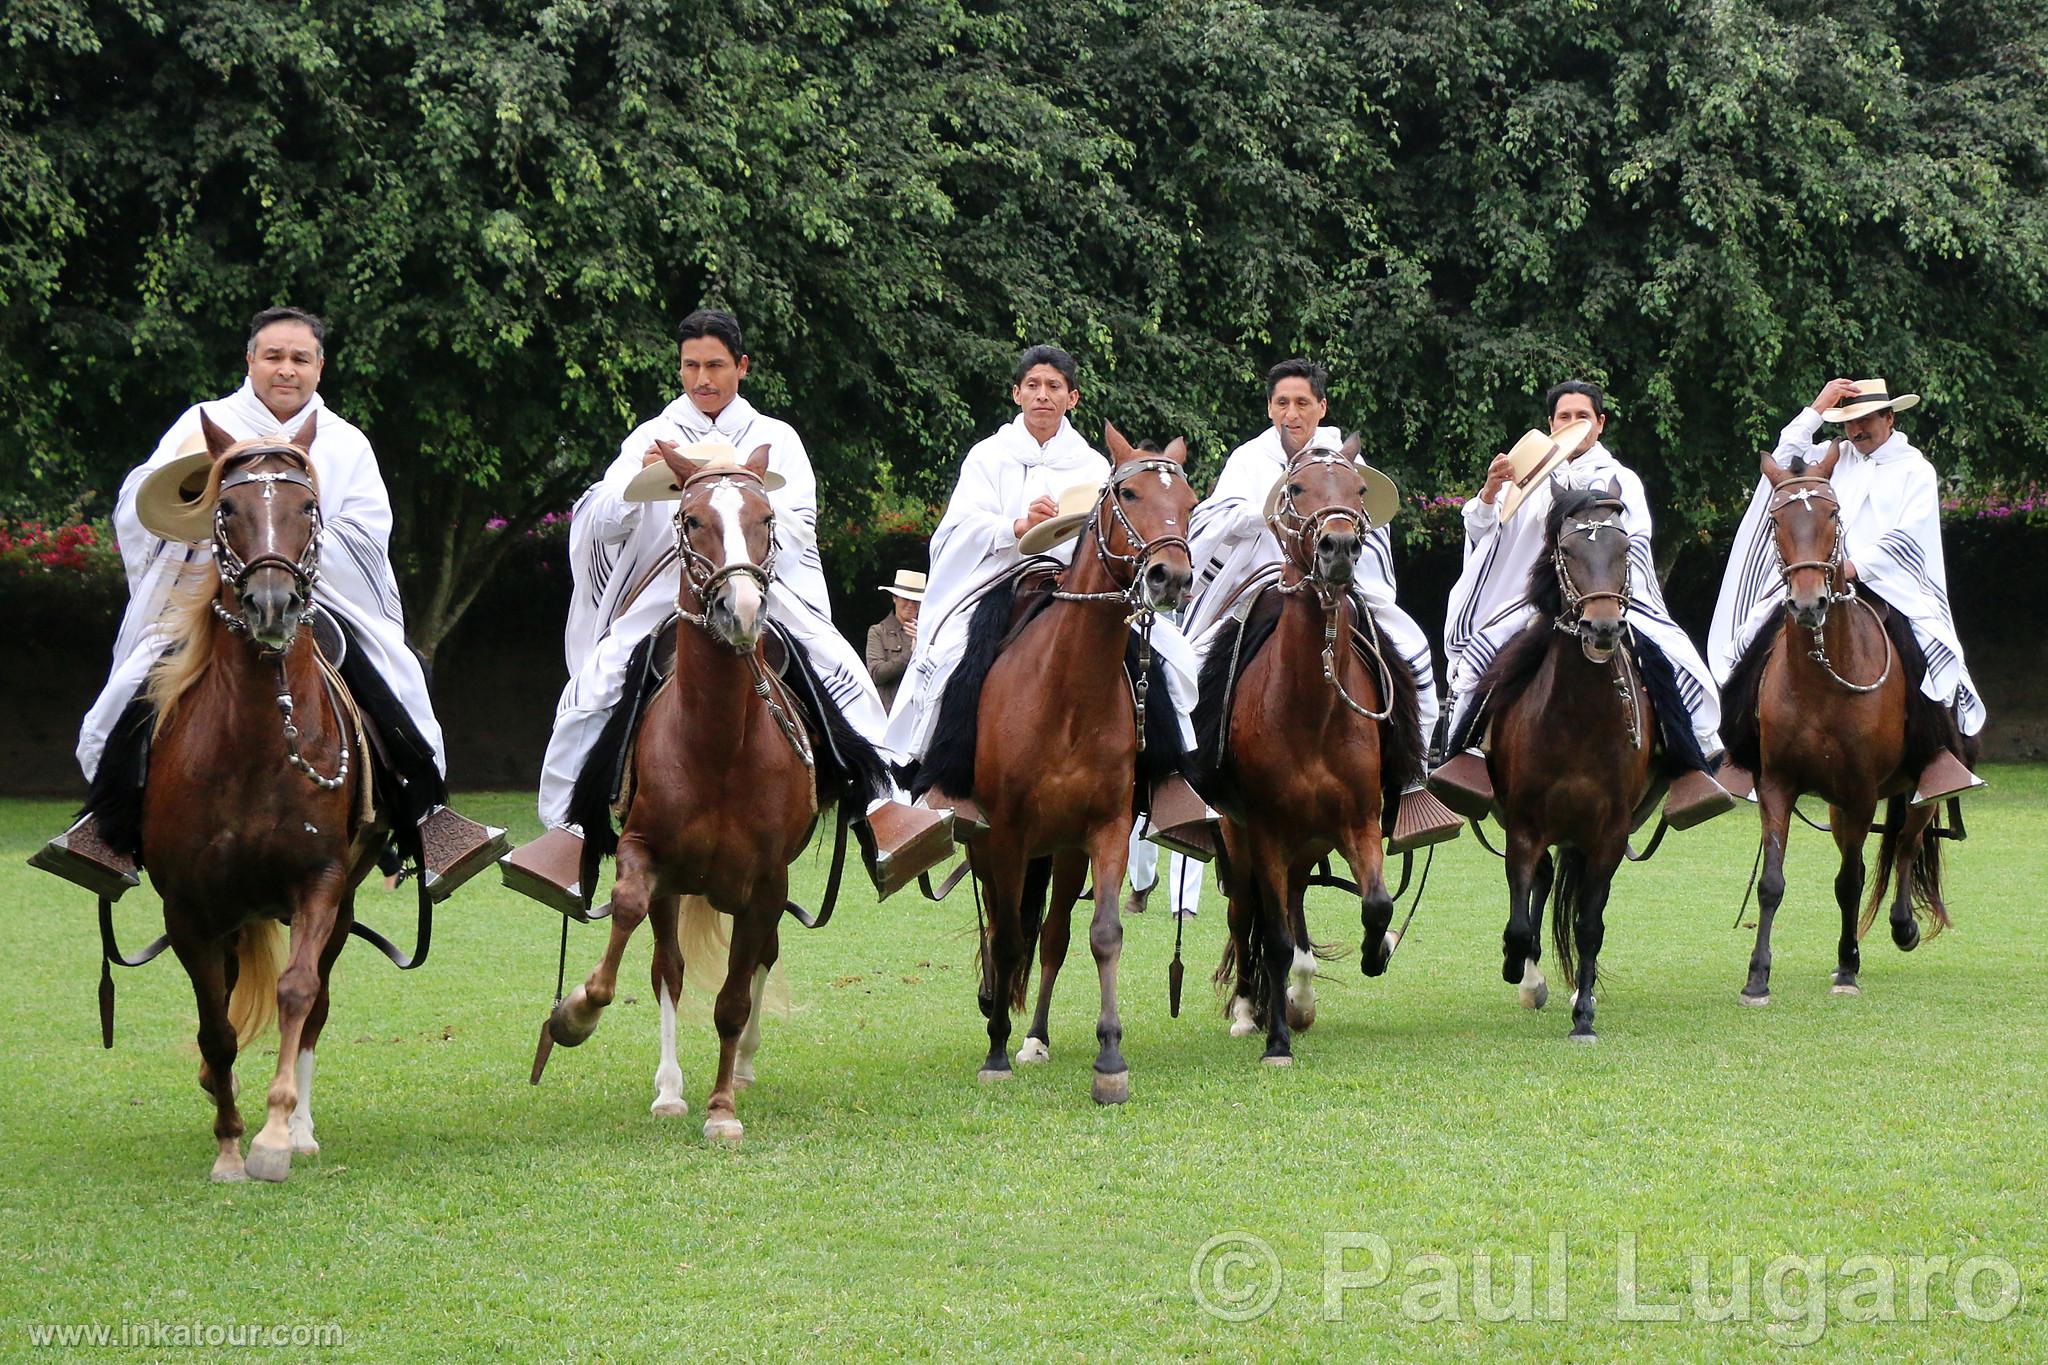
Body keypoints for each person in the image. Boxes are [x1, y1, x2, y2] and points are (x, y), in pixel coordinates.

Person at [38, 306, 502, 899]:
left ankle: (427, 819)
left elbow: (365, 534)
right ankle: (107, 826)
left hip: (315, 598)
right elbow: (143, 508)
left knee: (395, 677)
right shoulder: (200, 425)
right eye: (274, 357)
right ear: (251, 361)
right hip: (214, 595)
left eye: (300, 359)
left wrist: (287, 546)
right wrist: (222, 533)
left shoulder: (345, 443)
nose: (287, 370)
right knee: (140, 682)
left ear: (319, 367)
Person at [504, 308, 950, 907]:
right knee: (594, 685)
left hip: (761, 588)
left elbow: (794, 524)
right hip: (671, 593)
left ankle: (880, 809)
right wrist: (632, 487)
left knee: (842, 672)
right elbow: (602, 519)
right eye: (691, 366)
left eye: (714, 365)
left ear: (741, 366)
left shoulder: (778, 437)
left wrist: (735, 500)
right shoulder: (650, 436)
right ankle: (571, 832)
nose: (702, 379)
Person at [880, 345, 1209, 848]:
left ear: (1071, 397)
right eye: (1033, 385)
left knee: (1166, 651)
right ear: (1017, 393)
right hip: (1002, 582)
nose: (1042, 395)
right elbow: (955, 531)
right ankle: (940, 784)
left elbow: (1120, 532)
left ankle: (1169, 783)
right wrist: (1017, 525)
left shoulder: (1096, 464)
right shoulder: (988, 457)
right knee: (950, 657)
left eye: (1054, 387)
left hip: (1082, 588)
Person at [1179, 358, 1460, 885]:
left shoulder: (1341, 460)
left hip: (1339, 584)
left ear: (1321, 407)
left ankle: (1413, 778)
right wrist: (1267, 511)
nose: (1291, 412)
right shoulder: (1248, 458)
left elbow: (1366, 521)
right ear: (1269, 407)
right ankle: (1192, 785)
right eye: (1282, 402)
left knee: (1413, 646)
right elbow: (1213, 518)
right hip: (1260, 582)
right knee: (1192, 661)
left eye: (1302, 402)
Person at [1430, 379, 1735, 827]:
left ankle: (1690, 760)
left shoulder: (1621, 479)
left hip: (1606, 598)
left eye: (1582, 416)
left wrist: (1607, 589)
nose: (1573, 424)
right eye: (1563, 417)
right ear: (1550, 424)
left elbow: (1636, 542)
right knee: (1486, 655)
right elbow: (1492, 540)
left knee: (1669, 658)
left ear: (1600, 423)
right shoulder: (1527, 473)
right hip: (1534, 603)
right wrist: (1490, 494)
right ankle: (1467, 752)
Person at [1707, 377, 1985, 798]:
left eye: (1867, 419)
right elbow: (1780, 463)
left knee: (1920, 651)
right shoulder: (1833, 458)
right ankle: (1739, 753)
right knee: (1753, 644)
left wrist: (1855, 567)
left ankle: (1937, 758)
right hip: (1818, 581)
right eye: (1849, 421)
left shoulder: (1916, 470)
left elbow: (1909, 535)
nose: (1857, 429)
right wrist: (1818, 408)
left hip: (1891, 588)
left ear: (1889, 417)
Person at [866, 570, 924, 710]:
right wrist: (911, 654)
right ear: (894, 598)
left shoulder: (928, 634)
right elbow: (876, 674)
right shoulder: (878, 632)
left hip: (919, 713)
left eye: (915, 600)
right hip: (890, 714)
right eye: (905, 598)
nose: (911, 604)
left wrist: (924, 644)